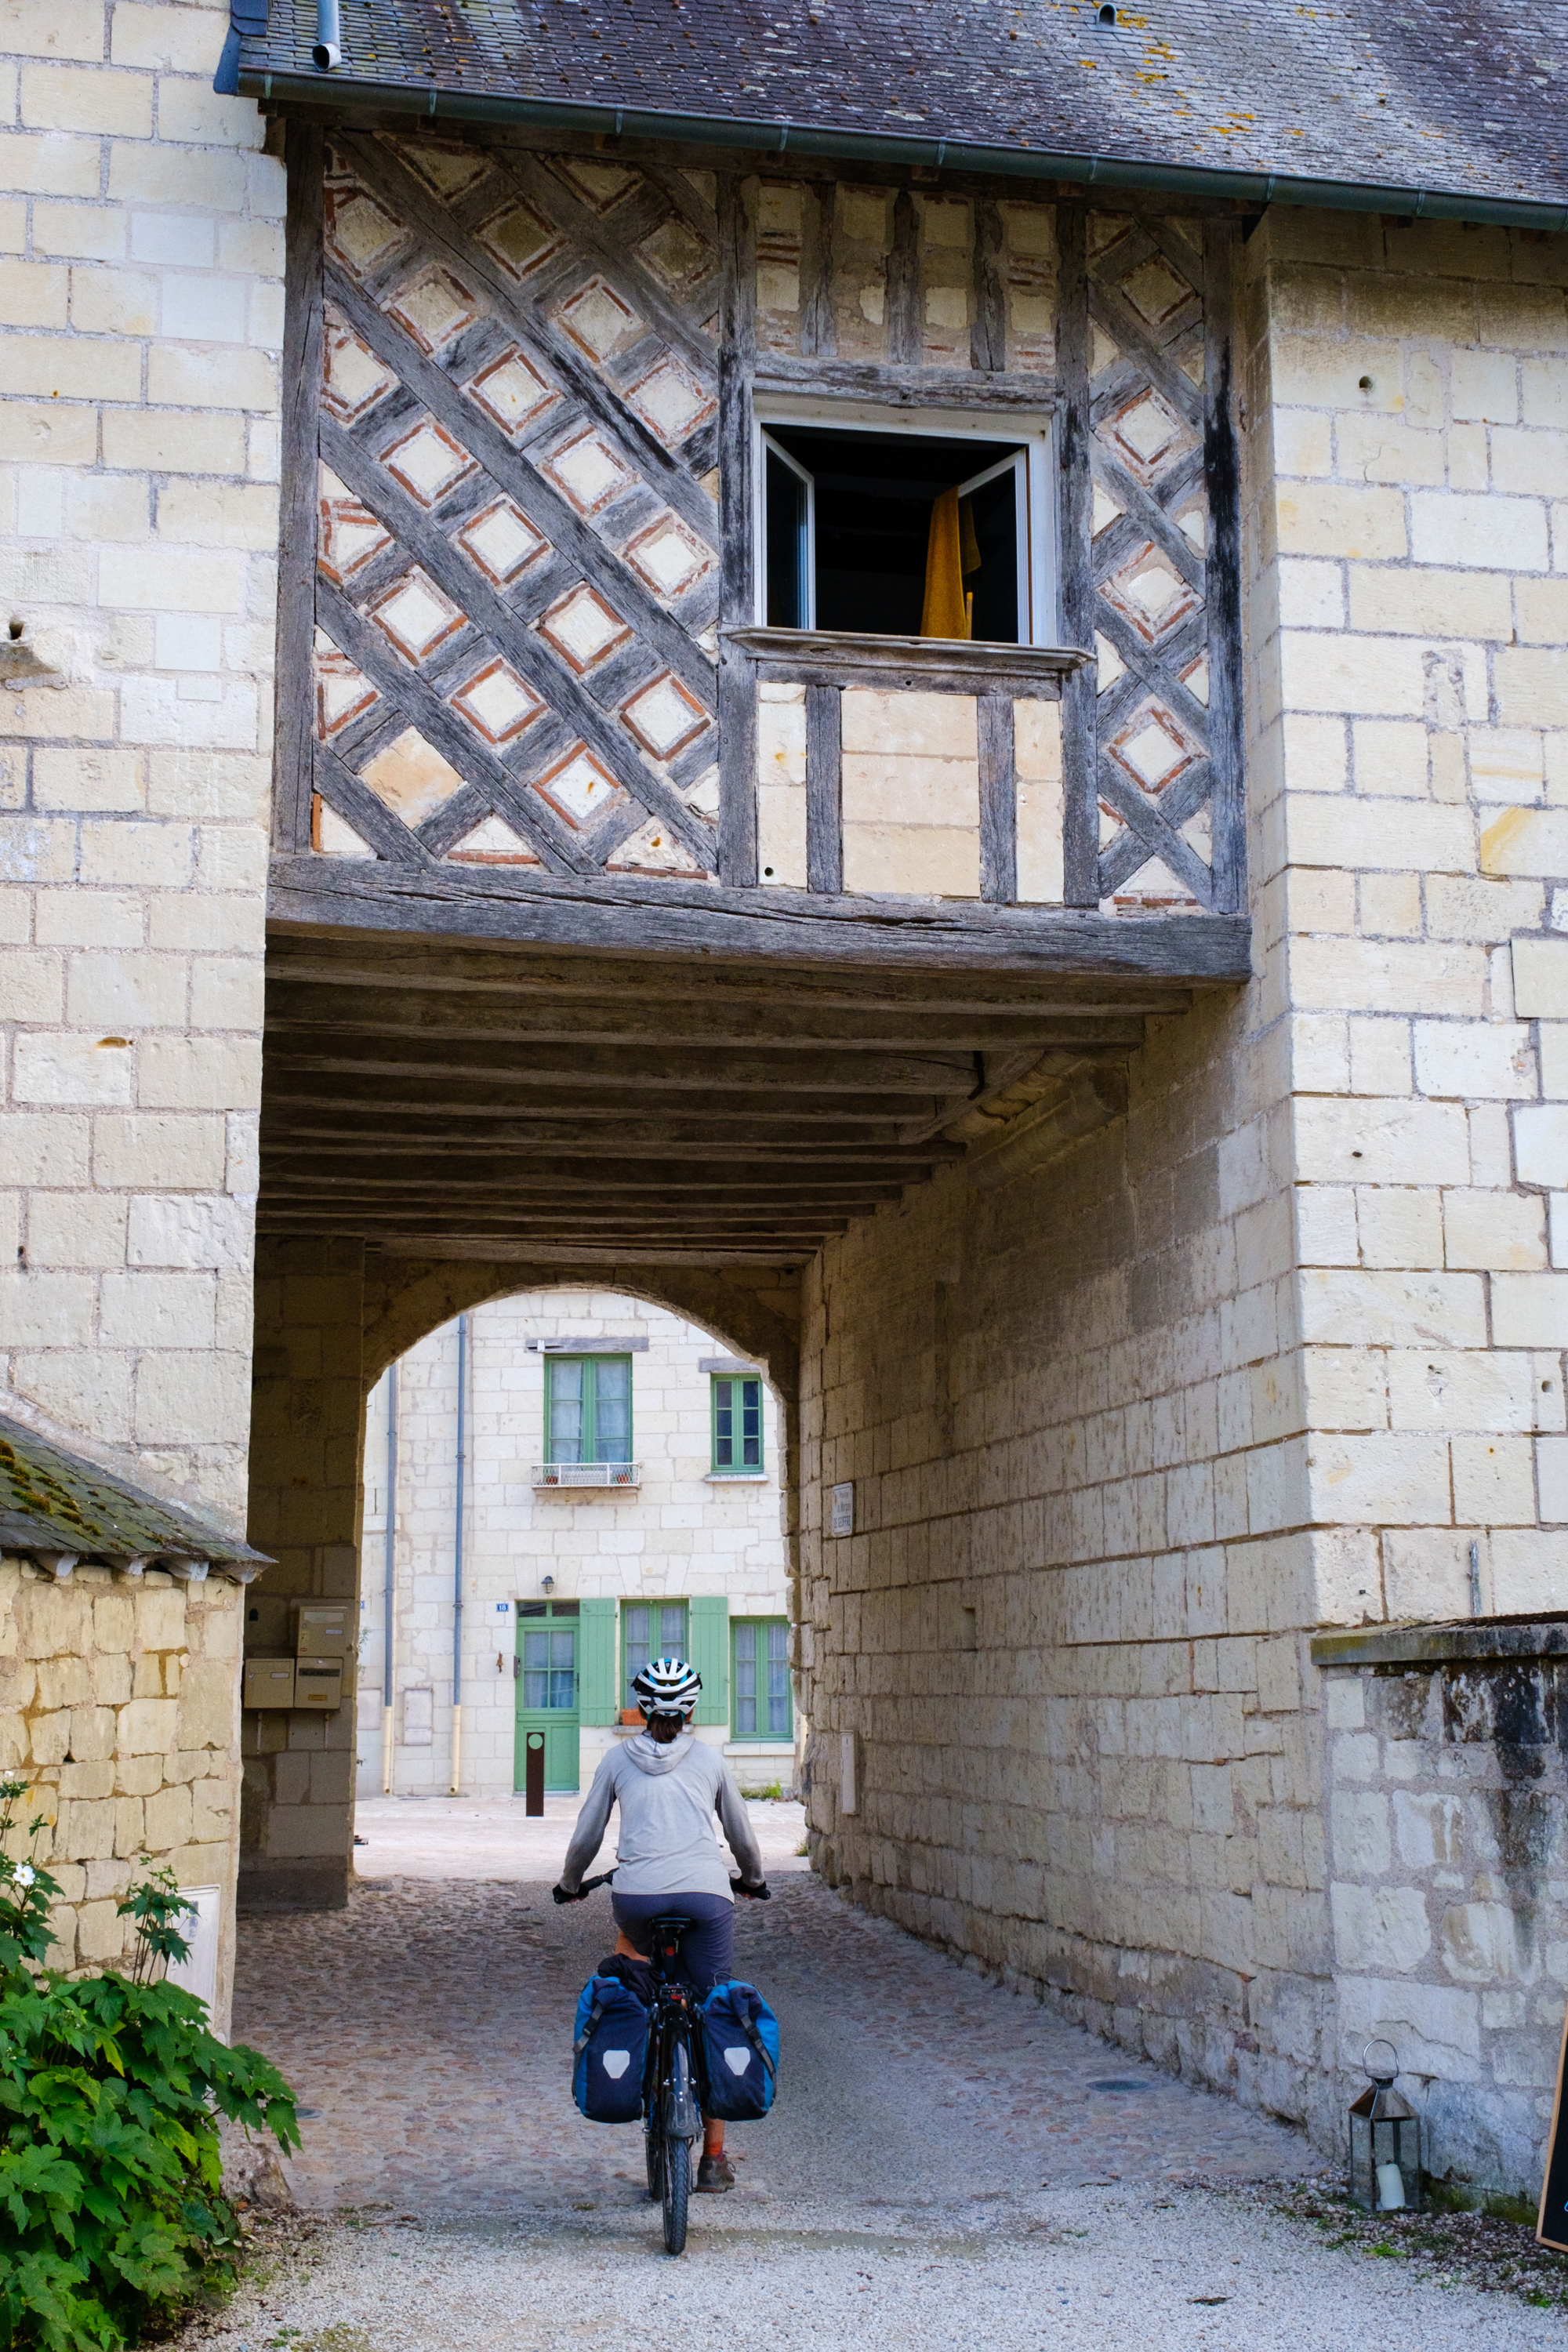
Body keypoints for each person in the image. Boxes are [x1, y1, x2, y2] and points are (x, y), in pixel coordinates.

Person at [554, 1656, 769, 2193]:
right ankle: (714, 2160)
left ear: (640, 1709)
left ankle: (643, 2037)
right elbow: (741, 1836)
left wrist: (570, 1884)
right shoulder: (711, 1761)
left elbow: (587, 1837)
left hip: (637, 1900)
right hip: (706, 1897)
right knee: (715, 2004)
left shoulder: (616, 1761)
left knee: (633, 1965)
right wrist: (752, 1878)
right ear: (691, 1708)